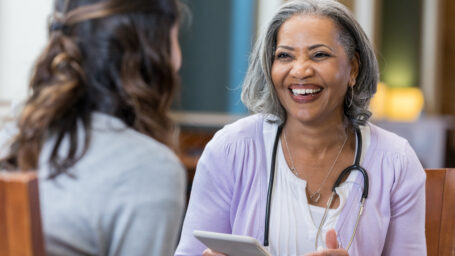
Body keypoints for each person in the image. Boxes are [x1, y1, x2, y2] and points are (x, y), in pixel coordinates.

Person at [175, 0, 426, 255]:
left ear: (353, 68)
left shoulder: (396, 162)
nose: (300, 70)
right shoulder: (230, 150)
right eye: (284, 56)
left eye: (320, 55)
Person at [0, 0, 187, 255]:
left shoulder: (12, 135)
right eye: (175, 38)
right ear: (151, 51)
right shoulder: (150, 170)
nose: (179, 60)